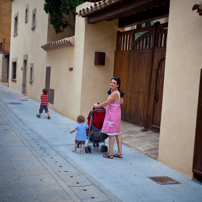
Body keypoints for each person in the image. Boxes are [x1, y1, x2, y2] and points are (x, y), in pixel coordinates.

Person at [93, 77, 124, 159]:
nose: (112, 84)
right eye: (111, 82)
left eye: (114, 83)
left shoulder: (114, 93)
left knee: (111, 135)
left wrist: (97, 105)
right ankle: (119, 153)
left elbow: (107, 102)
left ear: (118, 85)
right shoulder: (118, 92)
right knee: (117, 133)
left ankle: (110, 154)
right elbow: (121, 102)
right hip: (116, 113)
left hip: (113, 115)